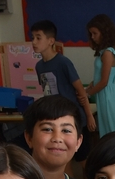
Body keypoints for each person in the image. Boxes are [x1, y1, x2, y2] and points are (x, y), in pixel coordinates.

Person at [30, 20, 96, 165]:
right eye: (33, 37)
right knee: (61, 161)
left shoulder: (63, 62)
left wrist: (89, 116)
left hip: (74, 117)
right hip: (54, 117)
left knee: (84, 161)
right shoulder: (39, 66)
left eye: (38, 37)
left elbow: (80, 91)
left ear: (50, 41)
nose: (34, 41)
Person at [86, 14, 115, 136]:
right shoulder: (102, 52)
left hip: (108, 96)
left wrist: (87, 94)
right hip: (103, 95)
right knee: (105, 132)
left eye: (95, 33)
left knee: (110, 133)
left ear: (104, 32)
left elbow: (104, 81)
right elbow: (99, 78)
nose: (92, 37)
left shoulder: (108, 53)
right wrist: (91, 85)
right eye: (91, 34)